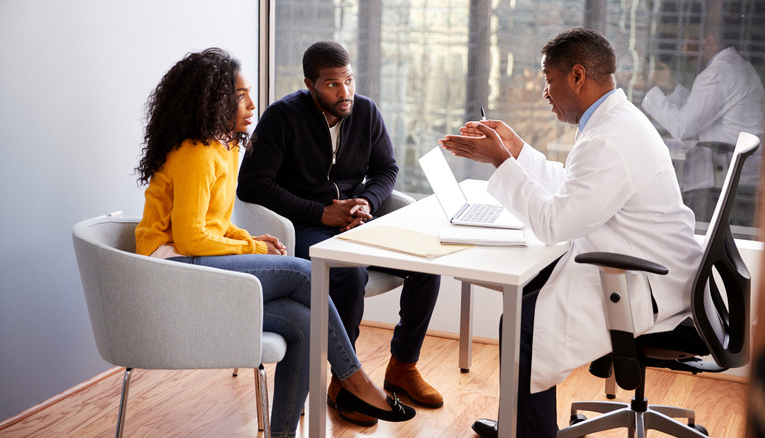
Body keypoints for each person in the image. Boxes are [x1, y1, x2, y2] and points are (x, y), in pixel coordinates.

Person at [133, 48, 415, 438]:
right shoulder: (195, 154)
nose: (252, 105)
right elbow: (189, 237)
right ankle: (355, 379)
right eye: (240, 96)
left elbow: (212, 224)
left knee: (303, 323)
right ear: (213, 101)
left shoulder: (224, 147)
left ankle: (281, 433)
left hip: (196, 262)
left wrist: (248, 237)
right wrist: (252, 249)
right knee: (304, 274)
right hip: (172, 271)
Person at [439, 28, 704, 438]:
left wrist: (501, 163)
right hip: (651, 267)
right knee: (529, 294)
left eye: (549, 78)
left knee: (523, 321)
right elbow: (574, 187)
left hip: (646, 283)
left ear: (577, 76)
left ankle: (530, 433)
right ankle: (522, 424)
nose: (544, 91)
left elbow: (555, 224)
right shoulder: (616, 121)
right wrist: (518, 151)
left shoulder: (610, 138)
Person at [237, 41, 444, 425]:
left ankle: (403, 367)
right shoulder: (282, 117)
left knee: (427, 261)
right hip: (303, 225)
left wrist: (365, 202)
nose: (344, 92)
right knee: (348, 272)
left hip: (356, 217)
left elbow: (386, 169)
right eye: (332, 84)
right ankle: (344, 382)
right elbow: (251, 186)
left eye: (348, 80)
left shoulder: (365, 111)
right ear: (309, 84)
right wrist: (322, 212)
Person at [642, 30, 764, 220]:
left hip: (725, 169)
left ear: (709, 39)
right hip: (735, 163)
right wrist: (672, 85)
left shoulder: (717, 74)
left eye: (688, 39)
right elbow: (700, 112)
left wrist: (650, 91)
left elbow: (683, 127)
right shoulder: (734, 66)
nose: (684, 50)